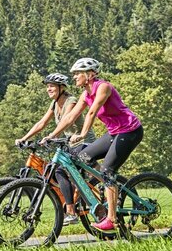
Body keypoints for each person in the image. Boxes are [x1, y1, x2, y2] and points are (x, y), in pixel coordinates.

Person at [41, 58, 143, 232]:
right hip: (114, 133)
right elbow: (70, 117)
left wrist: (81, 134)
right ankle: (106, 187)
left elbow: (92, 112)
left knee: (107, 170)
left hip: (130, 131)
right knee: (82, 158)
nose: (74, 78)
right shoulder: (85, 94)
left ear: (89, 75)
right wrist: (51, 135)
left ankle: (111, 218)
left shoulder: (103, 87)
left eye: (77, 74)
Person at [15, 73, 96, 226]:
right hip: (69, 145)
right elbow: (42, 123)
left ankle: (71, 212)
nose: (48, 89)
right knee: (57, 172)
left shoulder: (70, 101)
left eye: (51, 86)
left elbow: (66, 120)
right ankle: (73, 203)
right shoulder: (54, 104)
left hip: (84, 143)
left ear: (61, 87)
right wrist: (24, 138)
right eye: (47, 86)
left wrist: (51, 136)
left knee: (59, 171)